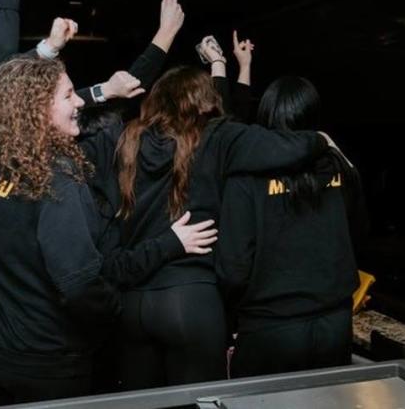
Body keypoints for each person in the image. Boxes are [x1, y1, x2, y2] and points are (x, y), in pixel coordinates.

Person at [111, 66, 328, 389]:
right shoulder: (217, 136)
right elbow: (287, 147)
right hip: (189, 300)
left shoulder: (128, 139)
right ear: (204, 101)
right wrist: (321, 140)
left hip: (131, 306)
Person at [0, 58, 120, 408]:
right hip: (46, 361)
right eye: (67, 96)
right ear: (36, 109)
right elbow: (78, 284)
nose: (79, 101)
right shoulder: (56, 181)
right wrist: (113, 314)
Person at [216, 76, 362, 377]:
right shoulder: (339, 167)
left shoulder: (245, 176)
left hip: (269, 328)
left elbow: (233, 267)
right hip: (334, 324)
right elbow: (358, 233)